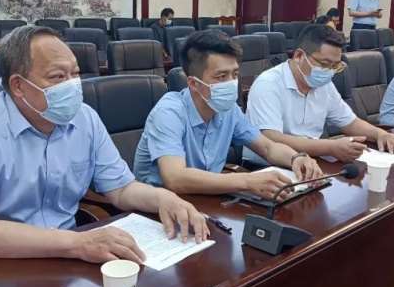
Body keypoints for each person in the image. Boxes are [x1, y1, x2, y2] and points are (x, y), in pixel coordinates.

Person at [0, 25, 208, 264]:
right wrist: (78, 243)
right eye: (58, 77)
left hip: (66, 257)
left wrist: (164, 198)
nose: (72, 85)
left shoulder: (85, 118)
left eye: (75, 74)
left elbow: (121, 189)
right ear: (18, 86)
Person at [133, 30, 324, 201]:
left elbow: (267, 147)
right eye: (221, 76)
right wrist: (247, 181)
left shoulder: (229, 109)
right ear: (193, 83)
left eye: (235, 74)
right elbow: (175, 178)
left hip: (205, 199)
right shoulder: (169, 112)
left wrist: (296, 158)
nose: (232, 83)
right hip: (157, 207)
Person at [244, 25, 394, 164]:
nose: (329, 71)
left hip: (312, 160)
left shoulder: (324, 85)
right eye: (324, 64)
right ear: (299, 56)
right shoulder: (268, 84)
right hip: (268, 166)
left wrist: (379, 134)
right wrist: (330, 147)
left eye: (335, 66)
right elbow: (272, 138)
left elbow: (349, 122)